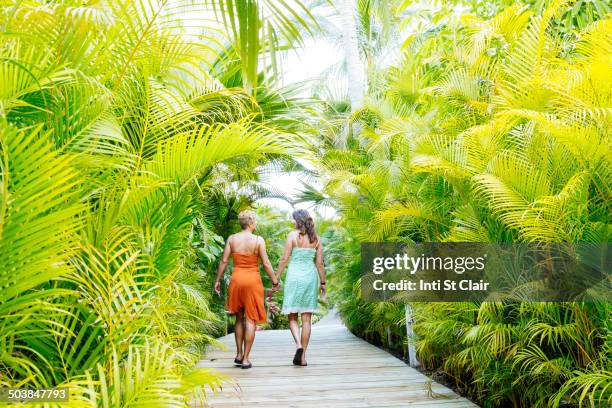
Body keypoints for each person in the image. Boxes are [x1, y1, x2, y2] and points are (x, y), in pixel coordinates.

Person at [214, 210, 279, 369]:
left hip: (236, 280)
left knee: (238, 318)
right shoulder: (258, 240)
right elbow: (266, 264)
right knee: (250, 319)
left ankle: (238, 354)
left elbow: (223, 261)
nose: (256, 223)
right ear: (251, 223)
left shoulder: (232, 239)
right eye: (255, 221)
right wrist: (275, 281)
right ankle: (246, 359)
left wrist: (217, 280)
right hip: (252, 281)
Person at [276, 209, 325, 366]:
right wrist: (323, 283)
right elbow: (319, 263)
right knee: (307, 318)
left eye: (293, 219)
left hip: (294, 277)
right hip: (310, 278)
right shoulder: (316, 239)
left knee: (292, 315)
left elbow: (284, 259)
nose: (292, 222)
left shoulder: (292, 236)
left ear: (298, 220)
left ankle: (298, 345)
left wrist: (276, 278)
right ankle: (302, 356)